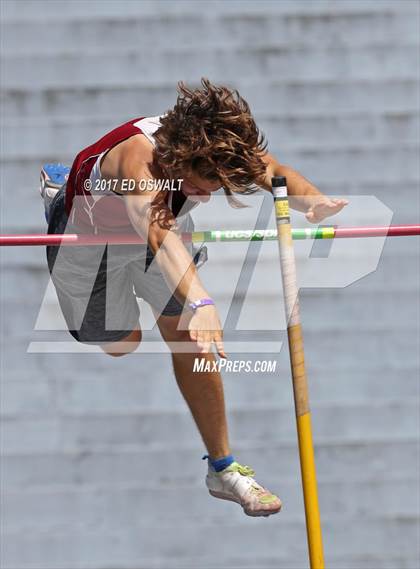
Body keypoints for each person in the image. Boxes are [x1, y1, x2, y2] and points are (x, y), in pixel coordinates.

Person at [41, 78, 348, 517]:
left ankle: (222, 469)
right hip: (92, 245)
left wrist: (313, 202)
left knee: (187, 337)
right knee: (122, 343)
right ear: (178, 158)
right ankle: (59, 194)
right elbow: (159, 232)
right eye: (202, 184)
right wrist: (203, 302)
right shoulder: (137, 162)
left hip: (151, 242)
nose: (209, 195)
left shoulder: (218, 144)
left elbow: (275, 173)